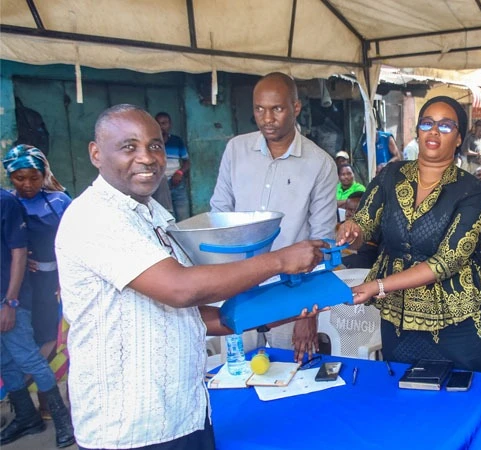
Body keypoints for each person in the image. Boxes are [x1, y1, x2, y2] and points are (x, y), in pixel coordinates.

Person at [55, 104, 326, 449]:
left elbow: (193, 315)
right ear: (96, 153)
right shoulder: (95, 216)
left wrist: (300, 307)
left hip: (184, 412)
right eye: (129, 147)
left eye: (155, 145)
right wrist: (279, 261)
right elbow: (180, 289)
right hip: (130, 428)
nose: (147, 158)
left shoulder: (153, 214)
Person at [337, 96, 481, 382]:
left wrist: (378, 285)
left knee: (462, 395)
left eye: (446, 125)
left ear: (459, 137)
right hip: (400, 315)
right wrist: (352, 229)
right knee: (407, 392)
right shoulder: (391, 175)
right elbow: (365, 221)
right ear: (418, 131)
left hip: (461, 317)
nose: (434, 131)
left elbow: (446, 262)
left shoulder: (472, 190)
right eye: (427, 123)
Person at [210, 72, 338, 360]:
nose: (267, 118)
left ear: (295, 108)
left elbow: (323, 240)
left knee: (291, 375)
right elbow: (219, 214)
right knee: (237, 377)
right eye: (259, 109)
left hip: (291, 294)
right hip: (237, 289)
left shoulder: (320, 164)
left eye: (277, 109)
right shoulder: (236, 150)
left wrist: (308, 312)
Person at [0, 189, 75, 448]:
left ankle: (62, 421)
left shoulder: (6, 202)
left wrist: (10, 302)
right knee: (5, 362)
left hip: (8, 298)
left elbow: (19, 254)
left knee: (28, 358)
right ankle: (26, 417)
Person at [154, 112, 191, 222]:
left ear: (170, 125)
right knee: (167, 218)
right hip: (159, 185)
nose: (161, 127)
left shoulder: (176, 141)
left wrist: (179, 173)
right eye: (158, 123)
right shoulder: (151, 143)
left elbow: (187, 162)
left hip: (177, 183)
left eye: (164, 123)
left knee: (184, 217)